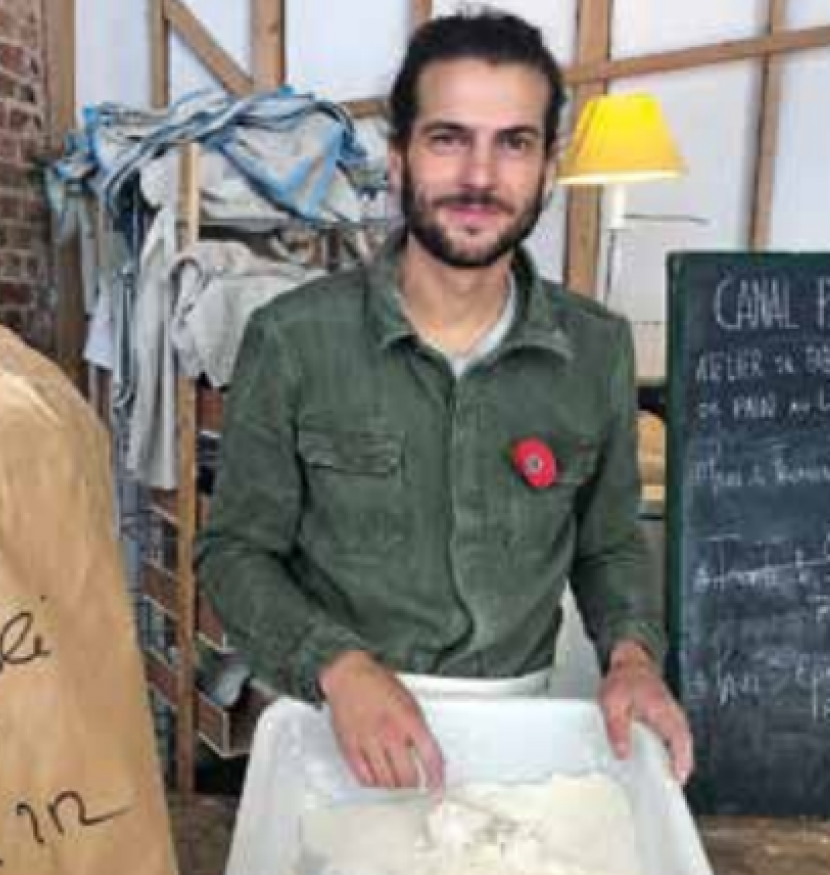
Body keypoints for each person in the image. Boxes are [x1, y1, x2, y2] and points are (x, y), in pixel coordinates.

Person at [195, 7, 693, 791]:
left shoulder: (594, 349)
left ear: (547, 168)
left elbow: (608, 546)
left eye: (513, 143)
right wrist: (339, 665)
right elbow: (233, 555)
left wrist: (631, 656)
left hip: (516, 733)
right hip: (333, 726)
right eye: (447, 138)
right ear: (397, 159)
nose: (479, 177)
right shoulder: (293, 339)